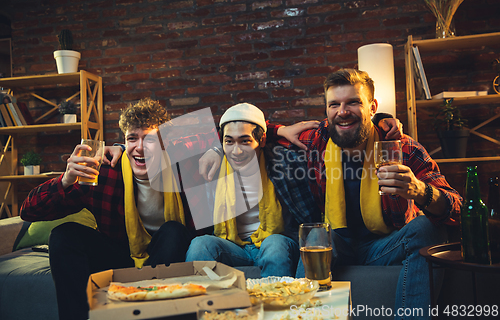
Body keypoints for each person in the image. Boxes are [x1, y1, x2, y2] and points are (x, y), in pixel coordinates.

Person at [270, 69, 462, 319]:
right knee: (316, 234)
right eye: (334, 104)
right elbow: (247, 133)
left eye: (353, 102)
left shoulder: (402, 147)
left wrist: (420, 191)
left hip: (386, 246)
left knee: (428, 227)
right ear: (327, 111)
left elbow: (457, 208)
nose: (342, 111)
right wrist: (279, 131)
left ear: (372, 107)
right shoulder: (316, 140)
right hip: (336, 242)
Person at [19, 98, 200, 320]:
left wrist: (213, 152)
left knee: (173, 230)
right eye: (132, 139)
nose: (140, 147)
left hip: (166, 255)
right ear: (124, 140)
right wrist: (65, 180)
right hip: (121, 256)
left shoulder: (181, 165)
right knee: (63, 235)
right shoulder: (105, 172)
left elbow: (219, 136)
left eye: (150, 139)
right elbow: (29, 212)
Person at [185, 103, 303, 277]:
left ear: (261, 140)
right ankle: (200, 303)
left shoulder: (282, 164)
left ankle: (275, 302)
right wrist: (215, 149)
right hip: (234, 246)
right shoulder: (215, 167)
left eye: (245, 141)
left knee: (275, 244)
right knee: (200, 244)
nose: (236, 151)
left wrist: (278, 130)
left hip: (274, 242)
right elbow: (171, 144)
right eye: (229, 142)